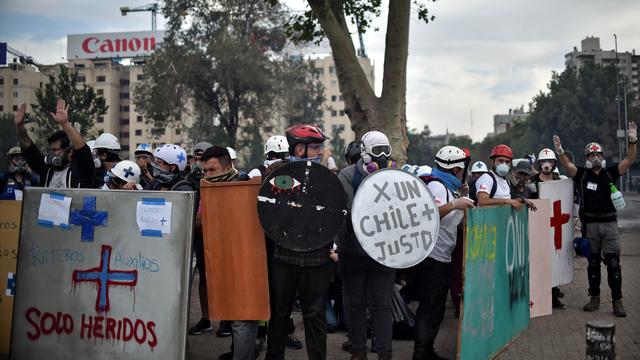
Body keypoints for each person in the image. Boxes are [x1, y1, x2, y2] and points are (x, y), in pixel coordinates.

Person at [553, 122, 637, 317]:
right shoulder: (583, 174)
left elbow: (630, 159)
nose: (596, 158)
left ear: (602, 156)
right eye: (592, 155)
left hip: (609, 225)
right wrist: (560, 151)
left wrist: (632, 140)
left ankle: (618, 302)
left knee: (614, 263)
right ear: (587, 158)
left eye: (598, 154)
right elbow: (567, 165)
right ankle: (594, 299)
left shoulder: (611, 172)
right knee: (593, 264)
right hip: (590, 226)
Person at [266, 124, 333, 360]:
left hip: (317, 256)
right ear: (300, 149)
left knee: (315, 315)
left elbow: (335, 214)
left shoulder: (326, 176)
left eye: (319, 147)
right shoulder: (277, 174)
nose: (320, 152)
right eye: (315, 148)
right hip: (284, 255)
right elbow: (270, 209)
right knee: (279, 314)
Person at [337, 131, 398, 360]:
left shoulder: (395, 175)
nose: (382, 155)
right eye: (376, 150)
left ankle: (385, 354)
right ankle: (359, 351)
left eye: (385, 150)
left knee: (382, 304)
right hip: (352, 250)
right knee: (355, 304)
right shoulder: (346, 175)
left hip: (383, 252)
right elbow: (350, 210)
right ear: (364, 152)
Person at [412, 146, 475, 360]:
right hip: (433, 258)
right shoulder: (438, 187)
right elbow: (430, 215)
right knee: (430, 309)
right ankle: (421, 354)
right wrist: (455, 204)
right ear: (456, 169)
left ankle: (426, 350)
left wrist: (460, 198)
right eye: (461, 168)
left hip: (441, 256)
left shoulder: (447, 187)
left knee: (435, 309)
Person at [197, 146, 259, 360]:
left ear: (228, 166)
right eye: (204, 171)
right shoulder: (206, 190)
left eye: (212, 170)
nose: (207, 176)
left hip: (246, 262)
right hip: (222, 260)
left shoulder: (246, 187)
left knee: (243, 318)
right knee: (235, 317)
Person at [14, 101, 94, 188]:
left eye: (55, 150)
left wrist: (64, 123)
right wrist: (20, 126)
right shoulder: (46, 170)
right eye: (51, 150)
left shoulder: (81, 171)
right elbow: (27, 144)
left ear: (70, 151)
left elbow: (82, 150)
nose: (52, 154)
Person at [529, 148, 567, 310]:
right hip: (538, 227)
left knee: (554, 262)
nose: (547, 164)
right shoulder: (532, 182)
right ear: (539, 163)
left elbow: (565, 199)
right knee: (540, 262)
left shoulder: (560, 180)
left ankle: (554, 295)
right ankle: (540, 298)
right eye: (544, 162)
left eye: (550, 161)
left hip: (556, 226)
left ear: (554, 163)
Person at [476, 144, 536, 211]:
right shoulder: (486, 178)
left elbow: (509, 200)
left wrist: (523, 200)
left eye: (507, 162)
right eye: (500, 161)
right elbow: (482, 201)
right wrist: (507, 201)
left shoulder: (506, 181)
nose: (504, 164)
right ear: (492, 161)